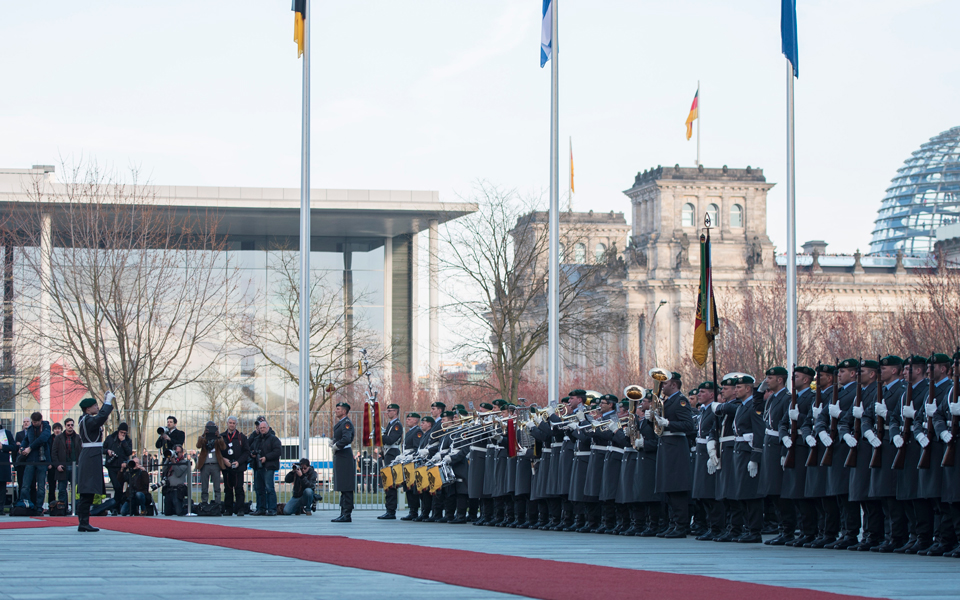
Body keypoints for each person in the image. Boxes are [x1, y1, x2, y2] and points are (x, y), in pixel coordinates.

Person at [651, 372, 694, 538]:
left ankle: (681, 525)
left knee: (677, 489)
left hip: (676, 446)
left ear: (674, 385)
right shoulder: (667, 401)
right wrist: (651, 419)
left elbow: (688, 425)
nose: (662, 386)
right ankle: (673, 523)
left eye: (665, 383)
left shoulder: (680, 401)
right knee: (668, 489)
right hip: (666, 445)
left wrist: (668, 423)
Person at [76, 394, 114, 531]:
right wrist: (107, 402)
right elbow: (100, 418)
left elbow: (100, 418)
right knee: (87, 491)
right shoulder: (88, 420)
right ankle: (83, 522)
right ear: (87, 409)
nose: (97, 407)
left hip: (92, 455)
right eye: (95, 406)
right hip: (90, 457)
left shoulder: (86, 419)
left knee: (89, 491)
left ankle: (84, 522)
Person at [19, 412, 52, 512]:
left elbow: (43, 439)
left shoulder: (46, 427)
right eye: (33, 422)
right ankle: (25, 505)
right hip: (30, 459)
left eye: (36, 422)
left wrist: (30, 448)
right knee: (25, 485)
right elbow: (26, 439)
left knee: (41, 486)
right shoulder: (30, 429)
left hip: (42, 459)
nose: (34, 424)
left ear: (40, 420)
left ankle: (39, 507)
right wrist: (22, 447)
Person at [331, 402, 356, 522]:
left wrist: (337, 445)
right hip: (341, 455)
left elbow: (346, 438)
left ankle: (347, 514)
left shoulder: (346, 423)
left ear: (344, 411)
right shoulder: (341, 423)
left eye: (338, 409)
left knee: (346, 486)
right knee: (343, 486)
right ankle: (343, 512)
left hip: (344, 455)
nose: (336, 411)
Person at [249, 419, 281, 516]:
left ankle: (272, 509)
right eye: (260, 428)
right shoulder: (256, 439)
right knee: (259, 489)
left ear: (268, 428)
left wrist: (266, 458)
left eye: (264, 427)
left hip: (268, 467)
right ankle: (260, 508)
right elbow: (250, 447)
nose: (262, 429)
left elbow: (278, 452)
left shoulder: (274, 439)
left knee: (269, 488)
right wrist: (252, 454)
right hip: (258, 466)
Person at [378, 403, 403, 520]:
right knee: (387, 483)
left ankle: (391, 510)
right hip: (388, 454)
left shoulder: (397, 425)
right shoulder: (390, 425)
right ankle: (389, 509)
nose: (388, 413)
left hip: (392, 454)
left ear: (396, 412)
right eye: (387, 411)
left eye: (390, 411)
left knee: (391, 483)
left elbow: (391, 439)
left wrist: (379, 435)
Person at [220, 416, 249, 516]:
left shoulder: (241, 437)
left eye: (233, 423)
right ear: (227, 423)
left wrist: (238, 462)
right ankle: (228, 509)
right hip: (226, 467)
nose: (231, 425)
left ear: (236, 424)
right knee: (228, 489)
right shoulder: (222, 437)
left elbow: (246, 452)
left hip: (238, 468)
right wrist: (224, 460)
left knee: (239, 488)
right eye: (230, 423)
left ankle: (240, 509)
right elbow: (218, 452)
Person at [51, 418, 81, 509]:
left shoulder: (78, 437)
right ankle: (62, 508)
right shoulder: (59, 438)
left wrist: (79, 463)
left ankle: (75, 508)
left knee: (76, 490)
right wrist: (57, 465)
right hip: (62, 466)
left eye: (72, 425)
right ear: (65, 426)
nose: (70, 426)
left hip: (75, 466)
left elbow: (81, 451)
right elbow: (54, 452)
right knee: (62, 489)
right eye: (68, 425)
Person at [399, 412, 424, 521]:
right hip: (407, 461)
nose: (407, 420)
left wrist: (409, 455)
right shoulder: (410, 431)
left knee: (412, 487)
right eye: (407, 419)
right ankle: (411, 510)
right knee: (407, 486)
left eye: (409, 419)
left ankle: (414, 511)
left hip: (412, 462)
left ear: (415, 420)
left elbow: (417, 448)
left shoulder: (417, 431)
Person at [102, 423, 132, 512]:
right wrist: (107, 451)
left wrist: (124, 442)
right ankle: (115, 506)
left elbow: (129, 452)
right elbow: (102, 449)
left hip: (122, 467)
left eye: (124, 433)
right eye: (121, 432)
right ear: (118, 431)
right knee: (117, 486)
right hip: (111, 466)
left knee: (120, 487)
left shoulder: (128, 440)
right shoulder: (110, 438)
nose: (123, 434)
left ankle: (115, 507)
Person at [196, 421, 227, 506]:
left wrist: (218, 436)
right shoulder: (203, 438)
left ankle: (217, 503)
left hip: (215, 464)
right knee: (204, 487)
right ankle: (204, 503)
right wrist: (204, 435)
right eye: (208, 428)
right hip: (205, 464)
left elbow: (223, 447)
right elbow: (198, 445)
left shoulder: (218, 438)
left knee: (217, 487)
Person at [162, 445, 190, 516]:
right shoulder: (170, 462)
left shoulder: (184, 462)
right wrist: (167, 460)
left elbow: (178, 473)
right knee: (167, 513)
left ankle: (191, 508)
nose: (177, 454)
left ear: (182, 452)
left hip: (177, 490)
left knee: (179, 512)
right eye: (175, 452)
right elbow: (164, 470)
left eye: (178, 452)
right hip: (169, 489)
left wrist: (174, 463)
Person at [46, 423, 62, 507]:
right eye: (55, 429)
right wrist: (49, 462)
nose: (57, 430)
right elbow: (47, 451)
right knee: (52, 486)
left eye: (59, 428)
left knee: (62, 487)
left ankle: (62, 505)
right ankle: (51, 505)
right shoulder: (50, 439)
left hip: (61, 465)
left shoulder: (63, 438)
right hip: (51, 465)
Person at [0, 422, 15, 515]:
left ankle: (1, 508)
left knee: (2, 487)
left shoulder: (7, 433)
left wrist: (3, 447)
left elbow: (13, 446)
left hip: (3, 464)